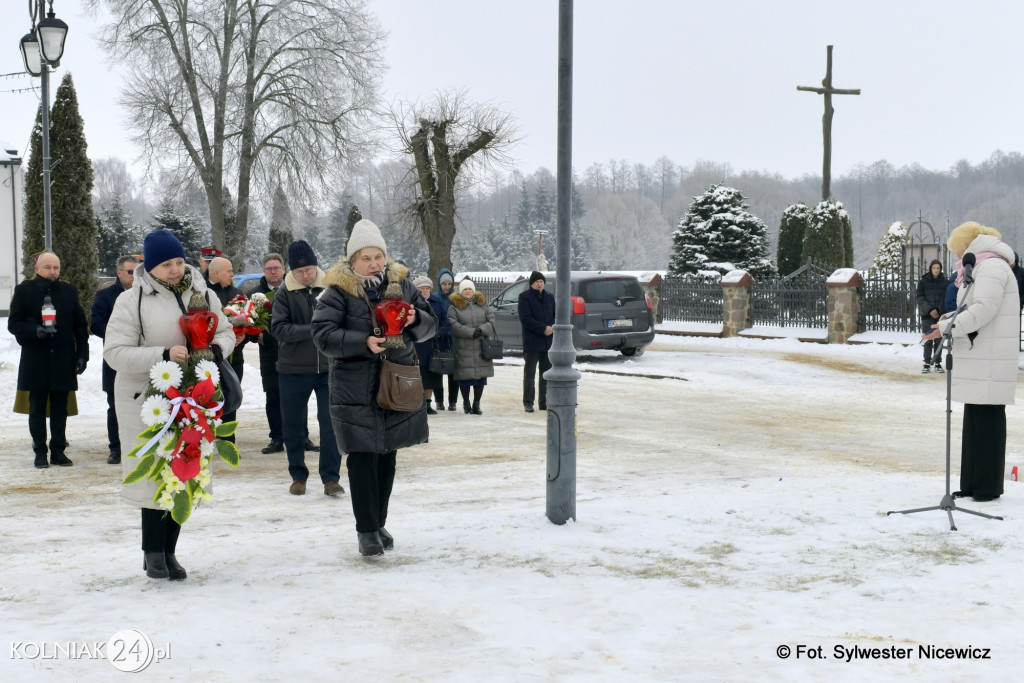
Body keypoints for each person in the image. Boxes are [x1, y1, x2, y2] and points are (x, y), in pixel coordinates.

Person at [104, 229, 235, 580]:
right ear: (150, 267)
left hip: (195, 397)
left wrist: (214, 349)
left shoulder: (202, 292)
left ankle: (170, 551)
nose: (175, 270)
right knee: (155, 475)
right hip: (147, 401)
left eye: (178, 261)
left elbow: (225, 331)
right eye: (166, 265)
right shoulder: (131, 301)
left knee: (184, 472)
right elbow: (114, 353)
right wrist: (162, 355)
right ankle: (153, 553)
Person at [311, 219, 437, 556]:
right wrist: (363, 341)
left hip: (395, 381)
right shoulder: (337, 291)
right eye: (365, 258)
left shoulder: (403, 285)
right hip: (354, 386)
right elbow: (322, 335)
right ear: (352, 260)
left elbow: (431, 326)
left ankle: (379, 522)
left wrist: (415, 319)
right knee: (363, 457)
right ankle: (366, 530)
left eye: (378, 256)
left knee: (387, 455)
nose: (374, 264)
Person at [922, 221, 1019, 503]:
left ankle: (987, 487)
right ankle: (972, 484)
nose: (956, 256)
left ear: (968, 246)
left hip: (989, 357)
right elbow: (968, 306)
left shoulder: (991, 267)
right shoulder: (982, 266)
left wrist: (947, 327)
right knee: (974, 421)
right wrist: (944, 322)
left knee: (987, 423)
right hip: (981, 354)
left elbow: (983, 309)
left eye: (957, 250)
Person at [270, 240, 344, 497]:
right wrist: (313, 329)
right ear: (292, 271)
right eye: (299, 271)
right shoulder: (284, 292)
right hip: (293, 369)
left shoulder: (332, 288)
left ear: (316, 266)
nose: (305, 275)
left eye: (309, 270)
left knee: (330, 423)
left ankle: (331, 479)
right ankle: (298, 476)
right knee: (292, 425)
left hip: (328, 368)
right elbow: (278, 329)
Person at [8, 251, 89, 468]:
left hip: (63, 358)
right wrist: (34, 330)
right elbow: (13, 324)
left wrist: (82, 355)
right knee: (36, 408)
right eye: (47, 267)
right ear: (37, 269)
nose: (52, 272)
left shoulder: (69, 291)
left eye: (56, 268)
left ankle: (58, 451)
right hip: (36, 359)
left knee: (60, 409)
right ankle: (40, 452)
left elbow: (80, 326)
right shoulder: (24, 290)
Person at [91, 254, 139, 464]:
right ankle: (116, 448)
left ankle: (140, 445)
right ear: (119, 273)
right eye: (130, 272)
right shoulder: (106, 296)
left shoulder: (145, 294)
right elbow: (96, 324)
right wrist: (120, 337)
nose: (134, 276)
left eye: (138, 272)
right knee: (115, 405)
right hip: (116, 358)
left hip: (142, 357)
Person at [206, 255, 246, 442]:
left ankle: (229, 443)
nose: (232, 274)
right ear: (216, 273)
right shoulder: (202, 293)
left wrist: (243, 336)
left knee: (231, 400)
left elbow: (249, 321)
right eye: (229, 271)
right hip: (208, 360)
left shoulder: (237, 294)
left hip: (234, 359)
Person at [252, 253, 286, 454]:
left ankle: (302, 436)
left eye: (276, 268)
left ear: (283, 269)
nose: (273, 272)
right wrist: (255, 334)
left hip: (293, 352)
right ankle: (277, 438)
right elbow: (247, 323)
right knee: (273, 397)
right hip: (269, 354)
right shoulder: (255, 295)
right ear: (264, 271)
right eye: (269, 269)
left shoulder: (294, 289)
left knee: (296, 397)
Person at [447, 279, 496, 415]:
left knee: (481, 377)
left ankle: (476, 403)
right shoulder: (454, 307)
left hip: (482, 346)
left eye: (470, 289)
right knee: (465, 377)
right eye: (465, 289)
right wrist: (471, 332)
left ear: (473, 290)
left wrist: (481, 330)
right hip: (464, 347)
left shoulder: (483, 304)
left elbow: (492, 321)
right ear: (461, 291)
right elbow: (454, 324)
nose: (468, 291)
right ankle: (466, 402)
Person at [518, 270, 555, 411]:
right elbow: (526, 318)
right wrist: (542, 328)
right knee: (530, 374)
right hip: (532, 341)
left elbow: (554, 315)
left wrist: (551, 327)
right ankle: (528, 402)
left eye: (541, 281)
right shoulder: (524, 297)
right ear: (531, 284)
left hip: (547, 341)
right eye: (537, 282)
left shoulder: (549, 297)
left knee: (545, 374)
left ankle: (543, 401)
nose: (539, 284)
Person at [413, 275, 447, 415]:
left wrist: (440, 332)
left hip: (433, 344)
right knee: (418, 375)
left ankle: (428, 403)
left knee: (431, 375)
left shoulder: (436, 301)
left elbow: (444, 320)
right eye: (422, 288)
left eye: (427, 288)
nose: (425, 291)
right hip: (417, 344)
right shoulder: (412, 302)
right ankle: (417, 403)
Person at [915, 259, 948, 374]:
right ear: (930, 269)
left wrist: (938, 310)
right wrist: (930, 310)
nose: (936, 270)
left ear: (940, 269)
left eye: (938, 268)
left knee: (939, 339)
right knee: (928, 339)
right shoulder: (923, 282)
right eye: (934, 268)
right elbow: (920, 297)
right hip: (927, 315)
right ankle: (927, 362)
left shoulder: (945, 282)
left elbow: (945, 298)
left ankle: (937, 362)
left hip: (940, 315)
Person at [435, 268, 459, 411]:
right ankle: (439, 400)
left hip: (453, 338)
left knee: (453, 371)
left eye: (449, 284)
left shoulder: (456, 299)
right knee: (438, 369)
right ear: (440, 284)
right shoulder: (435, 298)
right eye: (444, 284)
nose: (447, 287)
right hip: (439, 338)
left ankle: (453, 401)